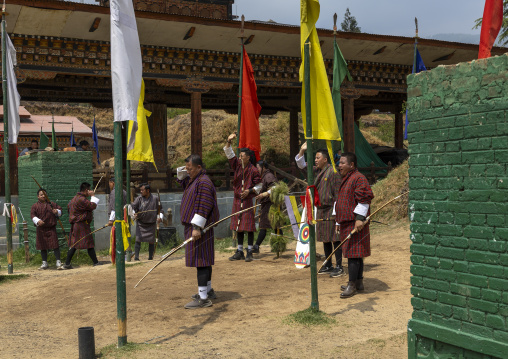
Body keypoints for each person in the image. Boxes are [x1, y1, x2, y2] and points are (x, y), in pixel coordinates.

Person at [177, 155, 220, 309]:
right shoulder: (196, 180)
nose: (187, 171)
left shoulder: (203, 182)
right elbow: (182, 180)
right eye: (186, 169)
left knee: (201, 261)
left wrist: (196, 228)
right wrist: (185, 171)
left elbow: (204, 205)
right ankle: (208, 291)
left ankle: (203, 298)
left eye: (190, 169)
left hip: (200, 228)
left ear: (199, 167)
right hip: (198, 227)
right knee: (204, 260)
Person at [295, 142, 344, 278]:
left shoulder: (333, 171)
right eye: (315, 158)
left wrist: (336, 212)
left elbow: (337, 194)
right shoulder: (317, 171)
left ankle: (339, 266)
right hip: (321, 209)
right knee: (325, 238)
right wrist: (301, 151)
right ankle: (328, 264)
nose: (315, 160)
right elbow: (302, 166)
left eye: (317, 158)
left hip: (331, 209)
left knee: (335, 238)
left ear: (325, 159)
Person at [335, 152, 374, 298]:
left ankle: (352, 285)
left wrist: (359, 219)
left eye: (343, 163)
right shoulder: (347, 178)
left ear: (351, 165)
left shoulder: (359, 178)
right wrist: (338, 220)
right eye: (339, 163)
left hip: (355, 222)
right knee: (356, 254)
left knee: (353, 254)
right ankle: (358, 282)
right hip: (347, 222)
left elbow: (364, 199)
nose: (340, 165)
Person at [224, 133, 261, 262]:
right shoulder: (237, 165)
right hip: (237, 199)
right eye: (239, 156)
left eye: (242, 156)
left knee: (249, 226)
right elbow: (229, 154)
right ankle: (240, 251)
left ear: (248, 158)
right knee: (238, 225)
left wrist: (250, 191)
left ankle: (249, 251)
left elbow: (260, 185)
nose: (240, 158)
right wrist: (228, 141)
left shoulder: (254, 170)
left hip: (247, 200)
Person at [62, 182, 100, 269]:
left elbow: (69, 208)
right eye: (89, 190)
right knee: (87, 242)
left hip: (77, 224)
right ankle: (95, 262)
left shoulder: (74, 199)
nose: (90, 191)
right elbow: (92, 206)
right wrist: (93, 196)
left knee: (75, 243)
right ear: (86, 190)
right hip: (81, 225)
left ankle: (67, 263)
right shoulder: (81, 199)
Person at [31, 188, 63, 270]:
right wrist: (38, 221)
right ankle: (44, 263)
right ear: (38, 196)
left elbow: (60, 211)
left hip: (51, 228)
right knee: (43, 246)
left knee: (55, 245)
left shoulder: (52, 204)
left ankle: (58, 261)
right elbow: (32, 215)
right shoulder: (35, 206)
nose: (43, 196)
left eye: (44, 194)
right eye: (41, 195)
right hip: (41, 229)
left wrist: (57, 211)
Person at [253, 160, 279, 254]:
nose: (257, 169)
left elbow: (276, 188)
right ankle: (278, 245)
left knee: (265, 225)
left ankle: (256, 246)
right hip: (266, 204)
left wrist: (264, 194)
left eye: (258, 168)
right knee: (274, 225)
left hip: (270, 203)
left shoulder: (268, 176)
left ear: (263, 168)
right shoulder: (264, 176)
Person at [131, 183, 162, 261]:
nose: (141, 191)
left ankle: (150, 257)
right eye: (140, 190)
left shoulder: (155, 199)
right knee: (138, 239)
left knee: (151, 240)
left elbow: (160, 209)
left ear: (148, 190)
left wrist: (159, 217)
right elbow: (133, 207)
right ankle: (136, 257)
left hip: (151, 223)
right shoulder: (139, 199)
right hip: (141, 223)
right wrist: (133, 214)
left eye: (142, 190)